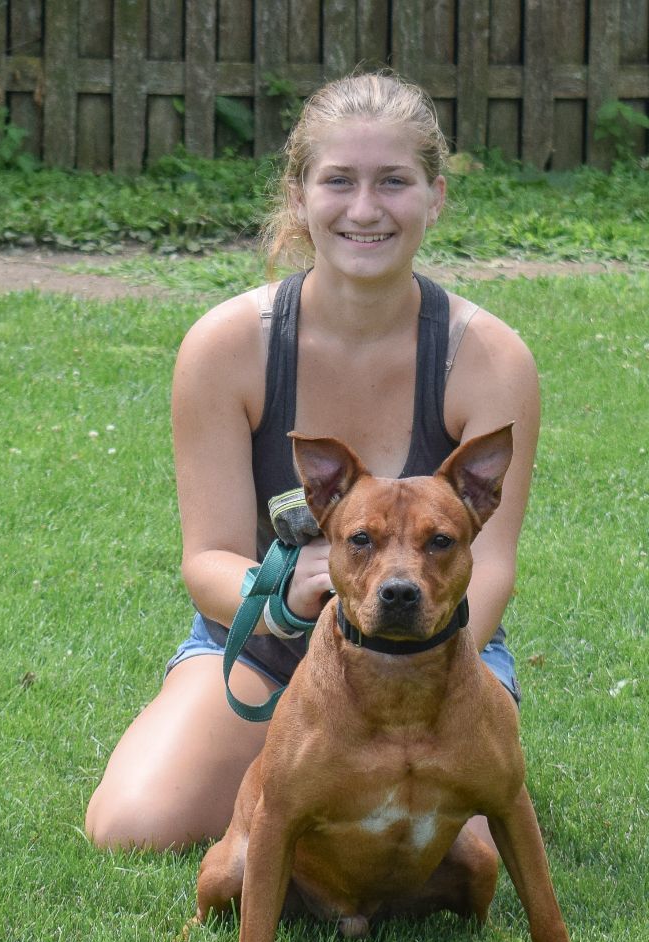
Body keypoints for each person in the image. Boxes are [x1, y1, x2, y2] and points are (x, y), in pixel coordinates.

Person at [85, 71, 540, 852]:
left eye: (394, 182)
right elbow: (209, 561)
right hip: (267, 648)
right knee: (132, 825)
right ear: (300, 196)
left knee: (460, 861)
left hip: (431, 662)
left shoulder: (488, 358)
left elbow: (490, 572)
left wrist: (412, 673)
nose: (365, 209)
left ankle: (385, 778)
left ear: (434, 197)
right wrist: (289, 600)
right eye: (339, 181)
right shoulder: (227, 348)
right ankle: (302, 773)